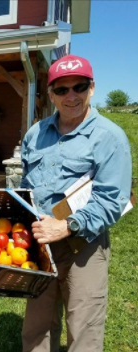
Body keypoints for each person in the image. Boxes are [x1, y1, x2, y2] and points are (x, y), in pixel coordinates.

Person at [20, 54, 131, 352]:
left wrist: (67, 225)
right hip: (41, 243)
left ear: (91, 88)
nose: (71, 96)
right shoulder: (36, 134)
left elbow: (112, 201)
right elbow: (26, 187)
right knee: (36, 328)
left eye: (79, 87)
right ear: (51, 94)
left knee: (84, 330)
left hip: (84, 244)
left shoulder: (110, 138)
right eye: (61, 89)